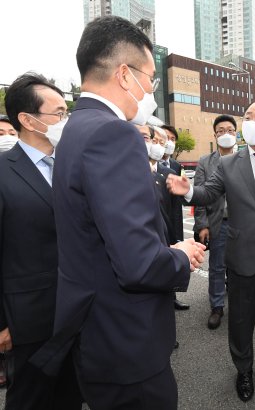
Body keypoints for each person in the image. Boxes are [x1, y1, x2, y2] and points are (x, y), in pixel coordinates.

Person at [30, 16, 205, 410]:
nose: (151, 93)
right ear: (126, 75)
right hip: (127, 343)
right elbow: (138, 265)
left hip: (94, 333)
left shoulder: (76, 129)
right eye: (151, 80)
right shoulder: (115, 133)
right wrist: (179, 255)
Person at [167, 100, 255, 402]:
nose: (251, 122)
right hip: (241, 253)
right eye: (248, 116)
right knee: (242, 317)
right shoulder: (229, 163)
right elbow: (209, 192)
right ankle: (243, 370)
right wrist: (189, 190)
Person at [1, 73, 82, 409]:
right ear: (28, 119)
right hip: (28, 318)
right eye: (60, 113)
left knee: (71, 395)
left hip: (77, 310)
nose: (66, 121)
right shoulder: (4, 171)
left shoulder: (72, 166)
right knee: (30, 398)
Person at [193, 114, 236, 329]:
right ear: (215, 135)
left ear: (236, 134)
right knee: (217, 267)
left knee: (240, 266)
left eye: (230, 130)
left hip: (243, 224)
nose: (225, 134)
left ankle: (238, 304)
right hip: (218, 222)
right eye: (221, 131)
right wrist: (202, 225)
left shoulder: (247, 159)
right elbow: (200, 196)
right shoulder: (205, 162)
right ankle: (217, 306)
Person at [154, 126, 190, 311]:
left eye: (170, 139)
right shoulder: (148, 165)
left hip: (172, 219)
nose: (167, 143)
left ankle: (172, 296)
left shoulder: (175, 166)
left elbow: (178, 203)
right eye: (162, 139)